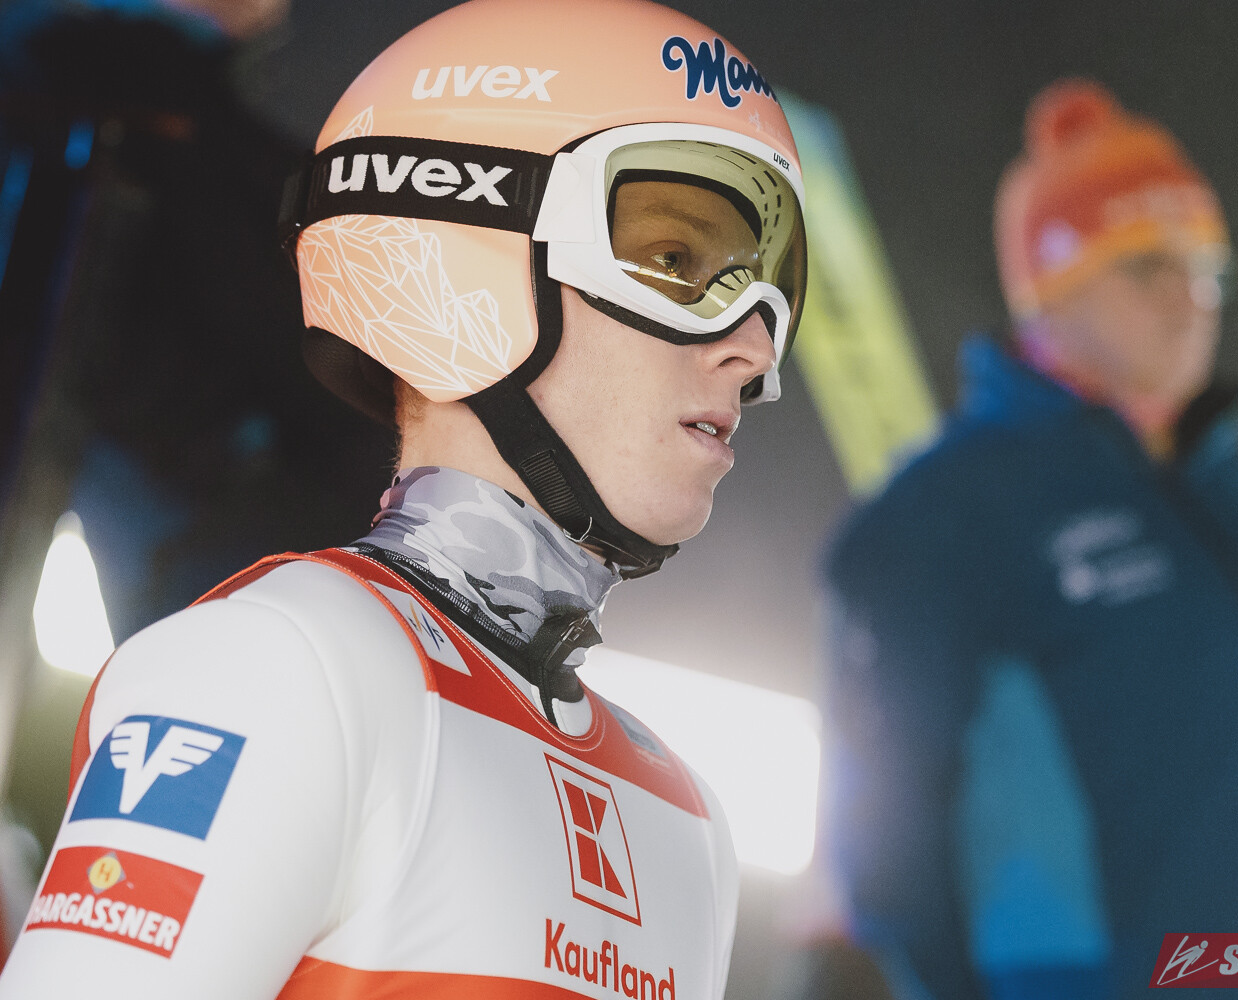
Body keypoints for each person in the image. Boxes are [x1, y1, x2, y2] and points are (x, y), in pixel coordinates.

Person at [0, 0, 806, 995]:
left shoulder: (689, 816)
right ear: (466, 257)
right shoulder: (280, 667)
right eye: (677, 262)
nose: (756, 349)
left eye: (770, 289)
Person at [819, 79, 1238, 999]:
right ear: (1051, 288)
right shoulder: (944, 514)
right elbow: (887, 854)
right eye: (1147, 267)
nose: (1191, 301)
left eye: (1207, 268)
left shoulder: (1236, 493)